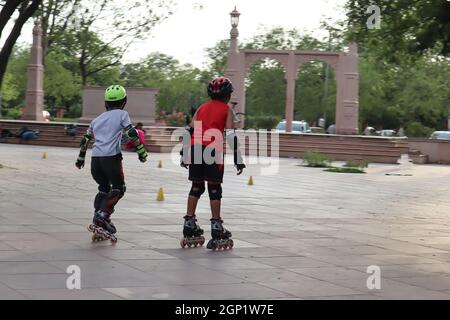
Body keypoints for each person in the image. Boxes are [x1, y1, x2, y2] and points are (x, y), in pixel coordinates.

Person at [180, 77, 246, 250]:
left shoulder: (202, 108)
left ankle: (189, 222)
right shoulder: (227, 110)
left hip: (195, 147)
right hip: (212, 149)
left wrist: (184, 152)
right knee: (214, 188)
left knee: (197, 186)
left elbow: (189, 129)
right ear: (228, 94)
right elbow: (231, 134)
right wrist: (238, 158)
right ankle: (216, 226)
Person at [75, 85, 148, 239]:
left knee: (103, 188)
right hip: (111, 158)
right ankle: (102, 215)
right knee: (119, 188)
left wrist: (80, 158)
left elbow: (86, 139)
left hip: (95, 160)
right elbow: (131, 133)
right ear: (124, 102)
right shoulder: (122, 114)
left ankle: (99, 218)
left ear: (105, 103)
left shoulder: (96, 120)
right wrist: (141, 152)